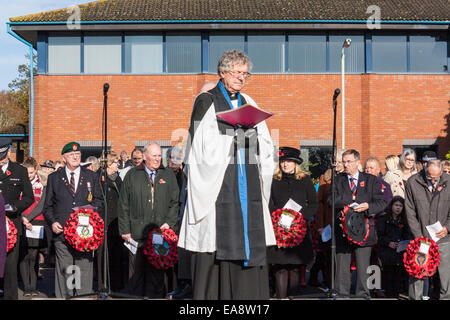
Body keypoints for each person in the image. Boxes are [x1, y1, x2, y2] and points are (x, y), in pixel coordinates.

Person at [178, 49, 276, 300]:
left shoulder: (249, 102)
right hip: (220, 185)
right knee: (215, 238)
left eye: (246, 74)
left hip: (247, 180)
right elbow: (198, 146)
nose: (242, 78)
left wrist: (252, 139)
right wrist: (232, 137)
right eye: (237, 73)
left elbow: (265, 142)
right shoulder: (206, 100)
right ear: (222, 72)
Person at [43, 141, 104, 298]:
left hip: (85, 234)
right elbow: (47, 207)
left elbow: (98, 201)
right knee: (66, 272)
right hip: (62, 234)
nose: (75, 157)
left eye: (77, 154)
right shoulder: (54, 178)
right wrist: (53, 222)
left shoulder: (90, 176)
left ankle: (83, 297)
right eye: (71, 155)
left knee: (84, 272)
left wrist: (90, 213)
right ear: (64, 158)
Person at [118, 142, 179, 298]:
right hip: (136, 235)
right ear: (145, 156)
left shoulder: (168, 175)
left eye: (159, 155)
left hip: (160, 234)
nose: (157, 159)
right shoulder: (132, 175)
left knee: (156, 276)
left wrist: (169, 223)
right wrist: (124, 230)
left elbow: (174, 202)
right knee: (136, 275)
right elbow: (123, 204)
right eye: (154, 156)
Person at [330, 149, 386, 298]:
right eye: (344, 162)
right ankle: (342, 295)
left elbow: (382, 202)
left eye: (349, 162)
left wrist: (368, 206)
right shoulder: (338, 179)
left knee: (363, 268)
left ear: (357, 163)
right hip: (343, 231)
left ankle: (362, 295)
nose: (345, 165)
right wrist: (351, 202)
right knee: (342, 268)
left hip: (364, 231)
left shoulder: (370, 180)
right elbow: (331, 200)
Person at [267, 147, 318, 298]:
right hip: (279, 229)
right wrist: (277, 218)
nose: (285, 165)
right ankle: (281, 297)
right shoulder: (274, 181)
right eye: (283, 161)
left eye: (288, 161)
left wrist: (300, 218)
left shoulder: (305, 180)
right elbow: (270, 203)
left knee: (296, 266)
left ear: (296, 163)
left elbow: (313, 203)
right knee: (280, 267)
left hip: (298, 230)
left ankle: (293, 297)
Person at [405, 159, 450, 300]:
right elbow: (410, 212)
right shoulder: (413, 182)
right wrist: (419, 236)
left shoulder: (449, 182)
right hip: (421, 237)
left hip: (443, 237)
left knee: (445, 275)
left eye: (436, 178)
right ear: (425, 171)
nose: (433, 181)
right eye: (430, 177)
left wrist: (447, 228)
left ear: (441, 173)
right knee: (417, 271)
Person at [0, 138, 34, 300]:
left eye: (3, 155)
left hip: (11, 225)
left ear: (8, 152)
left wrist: (15, 206)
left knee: (10, 268)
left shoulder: (19, 171)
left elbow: (29, 197)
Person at [309, 149, 345, 289]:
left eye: (340, 162)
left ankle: (341, 284)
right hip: (328, 224)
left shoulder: (349, 177)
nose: (336, 165)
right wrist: (320, 225)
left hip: (344, 224)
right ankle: (329, 284)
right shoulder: (326, 177)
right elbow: (320, 204)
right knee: (327, 256)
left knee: (342, 257)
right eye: (335, 161)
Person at [95, 151, 126, 292]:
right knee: (103, 255)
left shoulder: (117, 179)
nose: (118, 164)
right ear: (108, 163)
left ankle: (116, 285)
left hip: (117, 223)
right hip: (104, 223)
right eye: (115, 162)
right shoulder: (100, 178)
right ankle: (103, 285)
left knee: (116, 255)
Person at [19, 157, 48, 298]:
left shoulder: (41, 184)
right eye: (27, 173)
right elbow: (17, 202)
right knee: (24, 255)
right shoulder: (19, 183)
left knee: (34, 255)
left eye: (31, 173)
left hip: (37, 222)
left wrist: (29, 218)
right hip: (22, 221)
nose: (29, 175)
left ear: (35, 171)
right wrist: (23, 218)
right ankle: (26, 287)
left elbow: (41, 205)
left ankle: (34, 286)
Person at [376, 196, 412, 298]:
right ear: (391, 205)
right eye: (396, 205)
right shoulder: (383, 219)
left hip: (399, 253)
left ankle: (396, 295)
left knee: (397, 278)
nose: (398, 208)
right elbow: (379, 235)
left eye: (400, 206)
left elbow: (407, 235)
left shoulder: (404, 221)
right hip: (387, 253)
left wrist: (402, 243)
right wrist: (389, 243)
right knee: (388, 277)